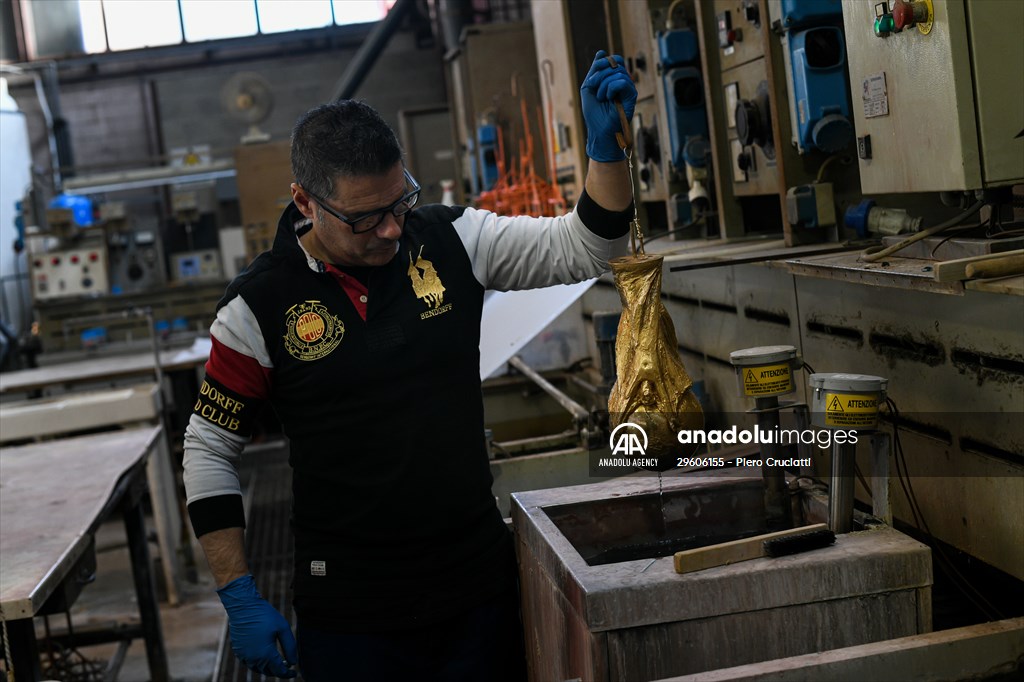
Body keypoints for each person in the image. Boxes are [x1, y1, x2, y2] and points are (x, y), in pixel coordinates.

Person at [182, 50, 637, 681]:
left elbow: (591, 248)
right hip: (350, 614)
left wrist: (605, 151)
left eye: (400, 202)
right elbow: (208, 447)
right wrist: (236, 591)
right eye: (364, 218)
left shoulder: (454, 241)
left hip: (476, 591)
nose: (391, 230)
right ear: (305, 203)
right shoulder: (256, 308)